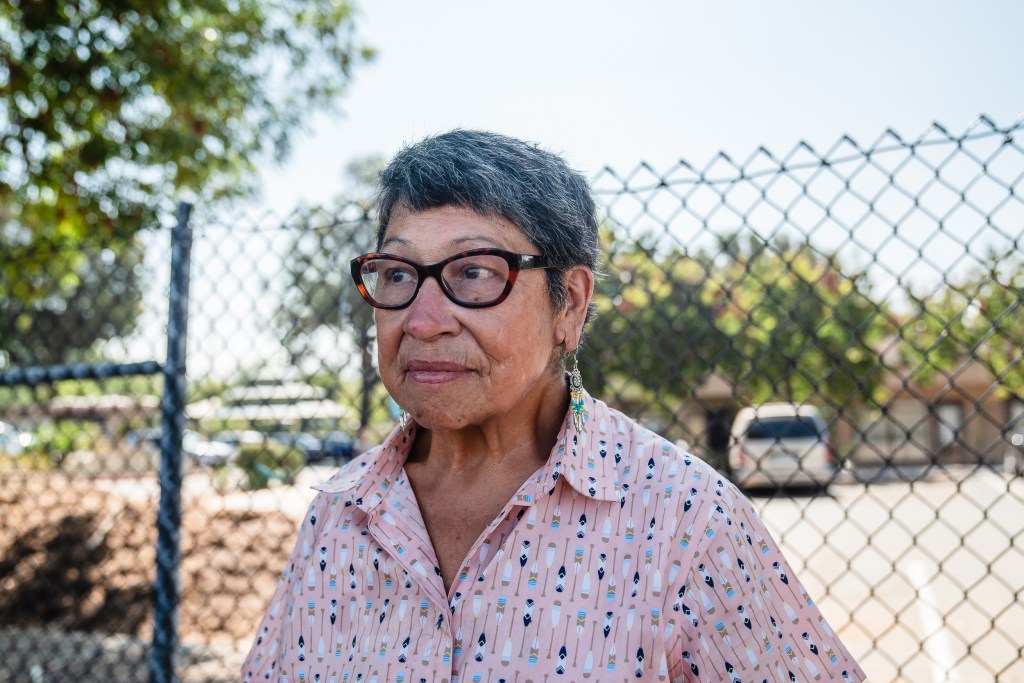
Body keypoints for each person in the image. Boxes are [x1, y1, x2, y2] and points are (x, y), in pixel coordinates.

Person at [243, 130, 865, 682]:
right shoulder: (340, 517)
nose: (422, 320)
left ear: (567, 303)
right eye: (398, 274)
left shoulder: (685, 520)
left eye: (476, 272)